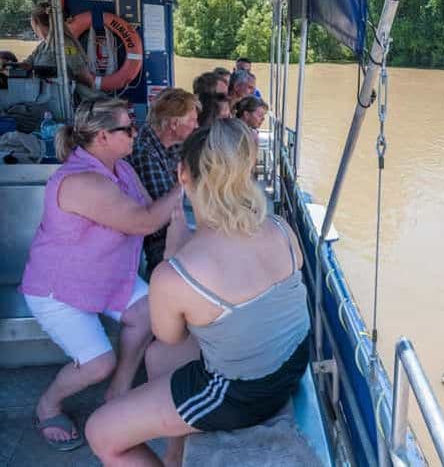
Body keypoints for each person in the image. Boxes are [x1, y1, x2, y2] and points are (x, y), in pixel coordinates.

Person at [86, 119, 311, 466]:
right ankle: (176, 453)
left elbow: (169, 334)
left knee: (100, 432)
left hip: (243, 393)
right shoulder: (281, 229)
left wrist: (174, 255)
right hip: (292, 363)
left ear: (182, 174)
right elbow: (233, 263)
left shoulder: (176, 275)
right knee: (157, 358)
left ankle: (182, 430)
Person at [18, 98, 182, 451]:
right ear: (104, 136)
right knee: (97, 364)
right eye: (128, 128)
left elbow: (148, 209)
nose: (135, 133)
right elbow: (146, 221)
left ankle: (118, 393)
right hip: (58, 290)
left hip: (107, 279)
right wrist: (186, 186)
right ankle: (47, 406)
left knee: (149, 313)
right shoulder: (82, 182)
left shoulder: (120, 168)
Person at [128, 88, 199, 279]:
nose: (196, 125)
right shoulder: (145, 152)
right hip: (158, 240)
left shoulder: (170, 144)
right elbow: (162, 217)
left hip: (172, 225)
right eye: (192, 120)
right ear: (174, 124)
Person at [15, 2, 96, 98]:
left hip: (64, 100)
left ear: (37, 24)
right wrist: (9, 65)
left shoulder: (64, 44)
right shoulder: (43, 45)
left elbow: (83, 74)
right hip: (44, 98)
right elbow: (28, 63)